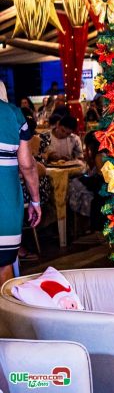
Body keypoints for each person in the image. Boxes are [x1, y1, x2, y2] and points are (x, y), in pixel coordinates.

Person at [0, 100, 41, 286]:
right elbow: (27, 165)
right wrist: (35, 202)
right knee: (3, 265)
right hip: (5, 206)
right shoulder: (14, 114)